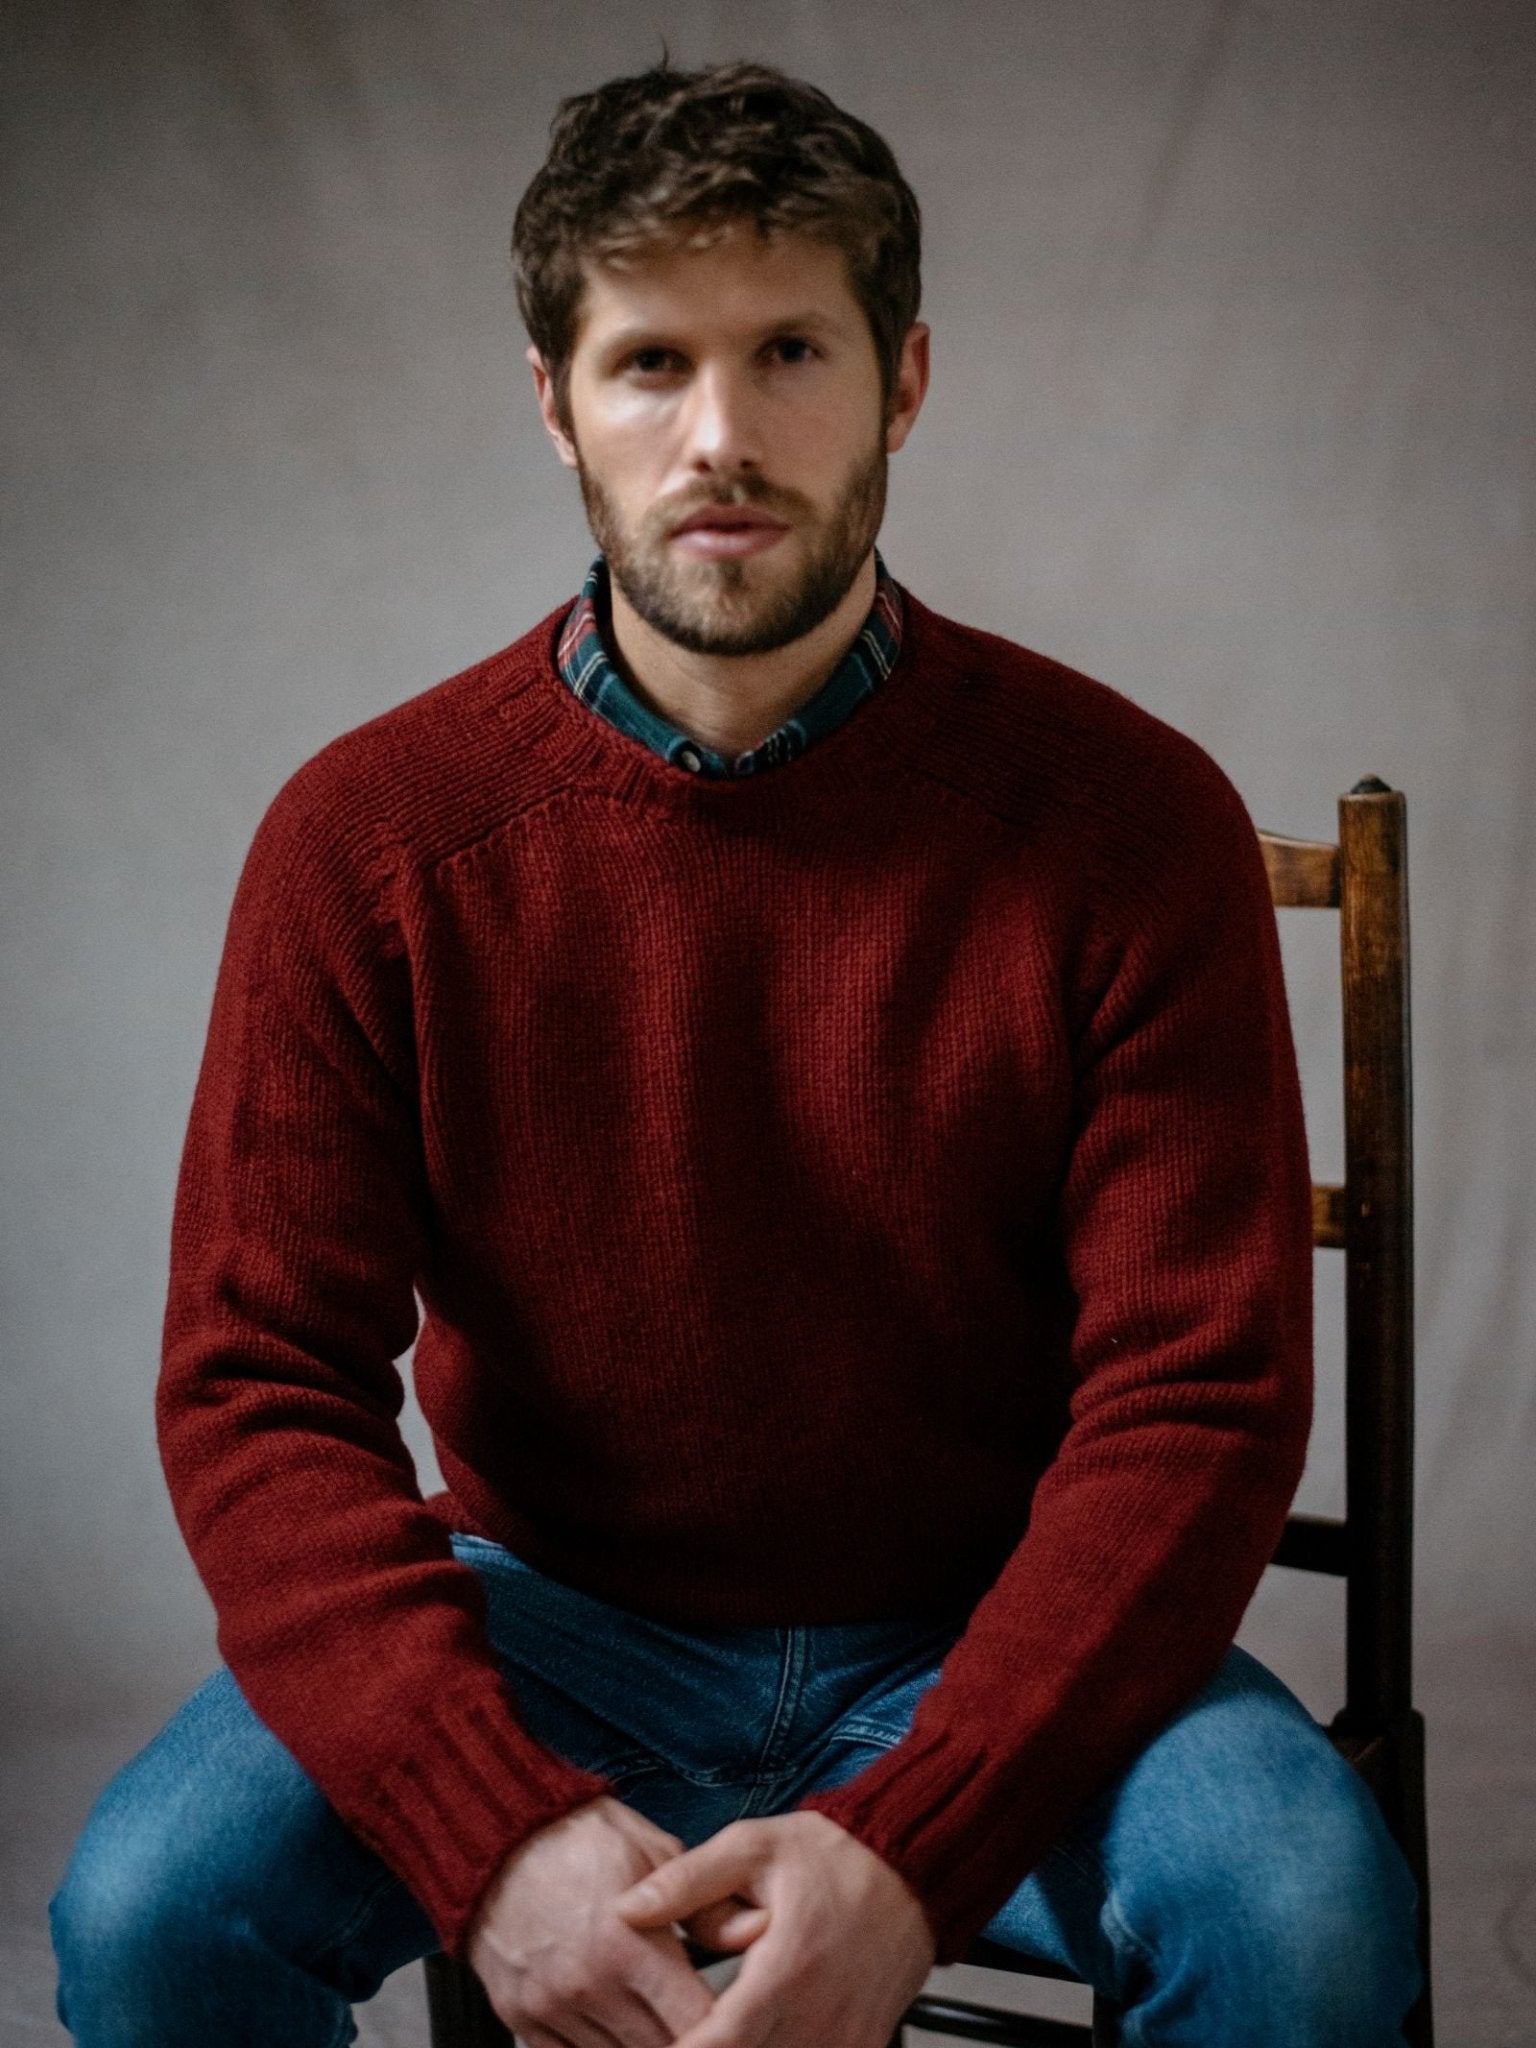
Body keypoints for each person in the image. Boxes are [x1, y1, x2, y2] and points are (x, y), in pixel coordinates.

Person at [49, 58, 1421, 2048]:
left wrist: (911, 1845)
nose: (721, 434)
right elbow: (258, 1383)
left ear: (906, 378)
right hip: (547, 1622)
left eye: (790, 347)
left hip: (989, 1619)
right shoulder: (369, 841)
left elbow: (1197, 1396)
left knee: (1296, 1912)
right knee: (150, 1915)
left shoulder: (1131, 824)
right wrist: (496, 1831)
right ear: (552, 401)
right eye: (648, 362)